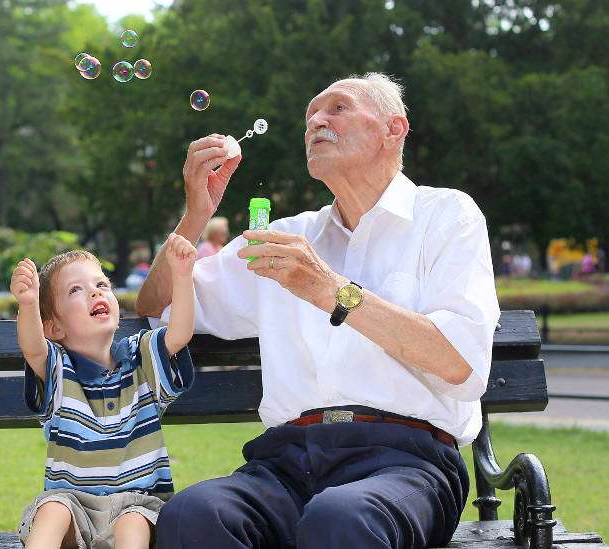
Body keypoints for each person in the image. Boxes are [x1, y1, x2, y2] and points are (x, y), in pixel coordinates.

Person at [136, 72, 500, 548]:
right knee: (193, 514)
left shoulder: (447, 216)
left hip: (408, 461)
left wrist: (331, 290)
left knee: (341, 517)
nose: (316, 122)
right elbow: (155, 305)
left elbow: (463, 363)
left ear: (394, 129)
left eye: (338, 108)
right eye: (310, 116)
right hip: (288, 460)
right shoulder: (286, 237)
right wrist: (196, 214)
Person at [11, 236, 198, 549]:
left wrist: (182, 277)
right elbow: (33, 349)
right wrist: (28, 304)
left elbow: (178, 334)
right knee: (52, 508)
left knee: (133, 522)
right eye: (76, 290)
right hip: (75, 507)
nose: (95, 291)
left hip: (137, 504)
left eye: (102, 284)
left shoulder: (141, 359)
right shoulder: (59, 371)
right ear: (54, 329)